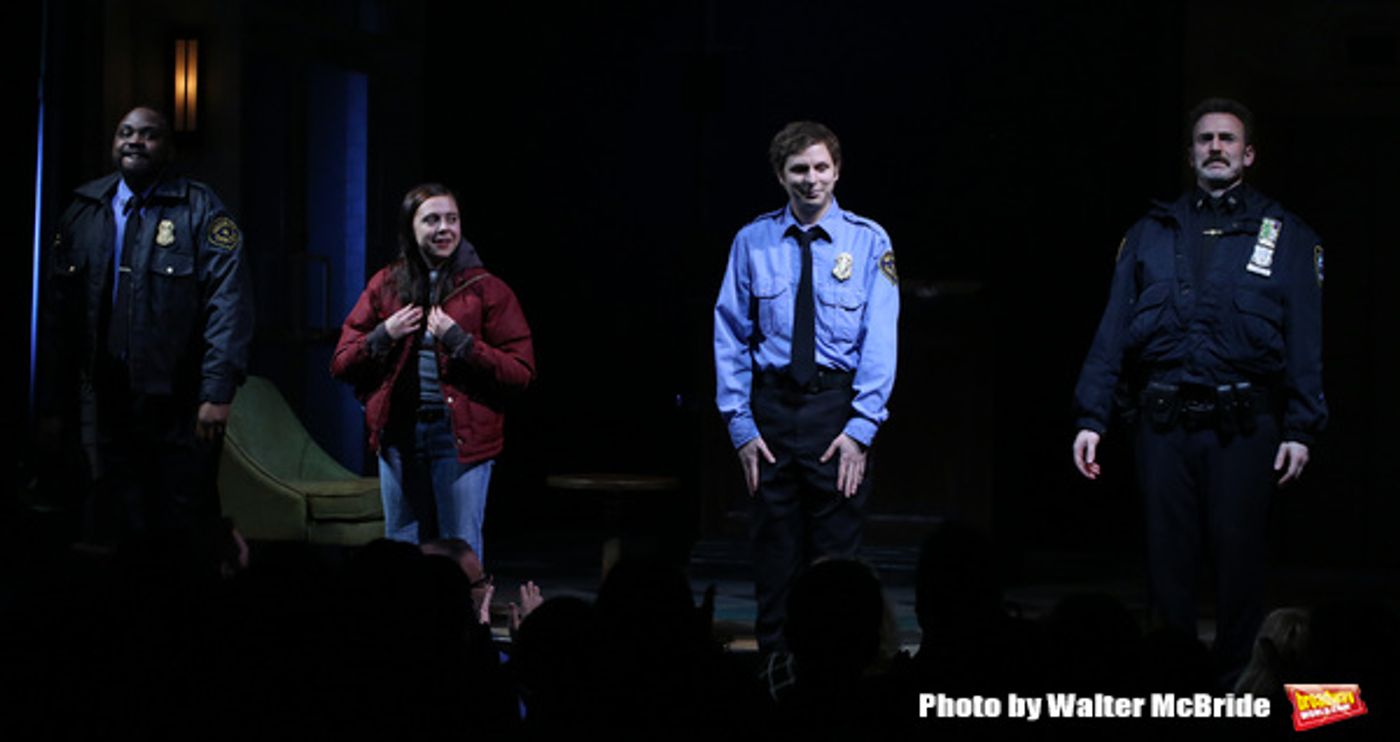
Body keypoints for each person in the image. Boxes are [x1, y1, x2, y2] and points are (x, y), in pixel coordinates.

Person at [1071, 98, 1326, 679]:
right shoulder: (1149, 233)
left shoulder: (1285, 235)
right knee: (1167, 565)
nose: (1216, 147)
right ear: (1190, 154)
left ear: (1248, 154)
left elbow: (1306, 338)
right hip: (1163, 426)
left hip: (1245, 425)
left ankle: (1240, 683)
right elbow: (1112, 329)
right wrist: (1091, 416)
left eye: (1228, 139)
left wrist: (1302, 426)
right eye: (1206, 139)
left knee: (1240, 563)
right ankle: (1170, 680)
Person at [713, 121, 899, 652]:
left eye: (821, 167)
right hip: (771, 413)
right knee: (774, 557)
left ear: (837, 171)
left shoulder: (868, 241)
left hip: (834, 413)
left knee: (837, 559)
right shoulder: (753, 240)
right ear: (780, 175)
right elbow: (730, 332)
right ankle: (775, 674)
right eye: (799, 169)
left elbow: (880, 339)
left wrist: (862, 428)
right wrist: (741, 424)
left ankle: (838, 671)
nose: (811, 179)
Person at [38, 106, 253, 556]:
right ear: (113, 143)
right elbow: (59, 316)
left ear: (169, 149)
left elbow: (228, 303)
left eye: (149, 134)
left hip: (179, 397)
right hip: (107, 395)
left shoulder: (200, 208)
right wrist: (53, 403)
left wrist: (217, 391)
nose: (135, 141)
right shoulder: (84, 211)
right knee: (119, 519)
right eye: (126, 132)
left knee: (182, 517)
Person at [331, 183, 534, 555]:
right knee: (401, 547)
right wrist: (383, 334)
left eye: (452, 219)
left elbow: (520, 371)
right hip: (399, 434)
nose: (444, 228)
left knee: (461, 547)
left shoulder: (486, 290)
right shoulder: (386, 284)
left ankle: (465, 613)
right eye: (432, 220)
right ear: (411, 227)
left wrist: (462, 342)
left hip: (459, 436)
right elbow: (342, 363)